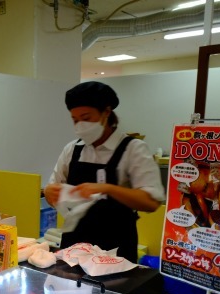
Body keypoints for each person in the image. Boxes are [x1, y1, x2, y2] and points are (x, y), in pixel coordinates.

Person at [44, 81, 164, 262]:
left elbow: (151, 202)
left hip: (115, 248)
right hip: (74, 245)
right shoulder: (72, 149)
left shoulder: (133, 149)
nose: (80, 125)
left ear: (106, 113)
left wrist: (108, 188)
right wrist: (50, 193)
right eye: (75, 120)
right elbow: (53, 189)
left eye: (86, 117)